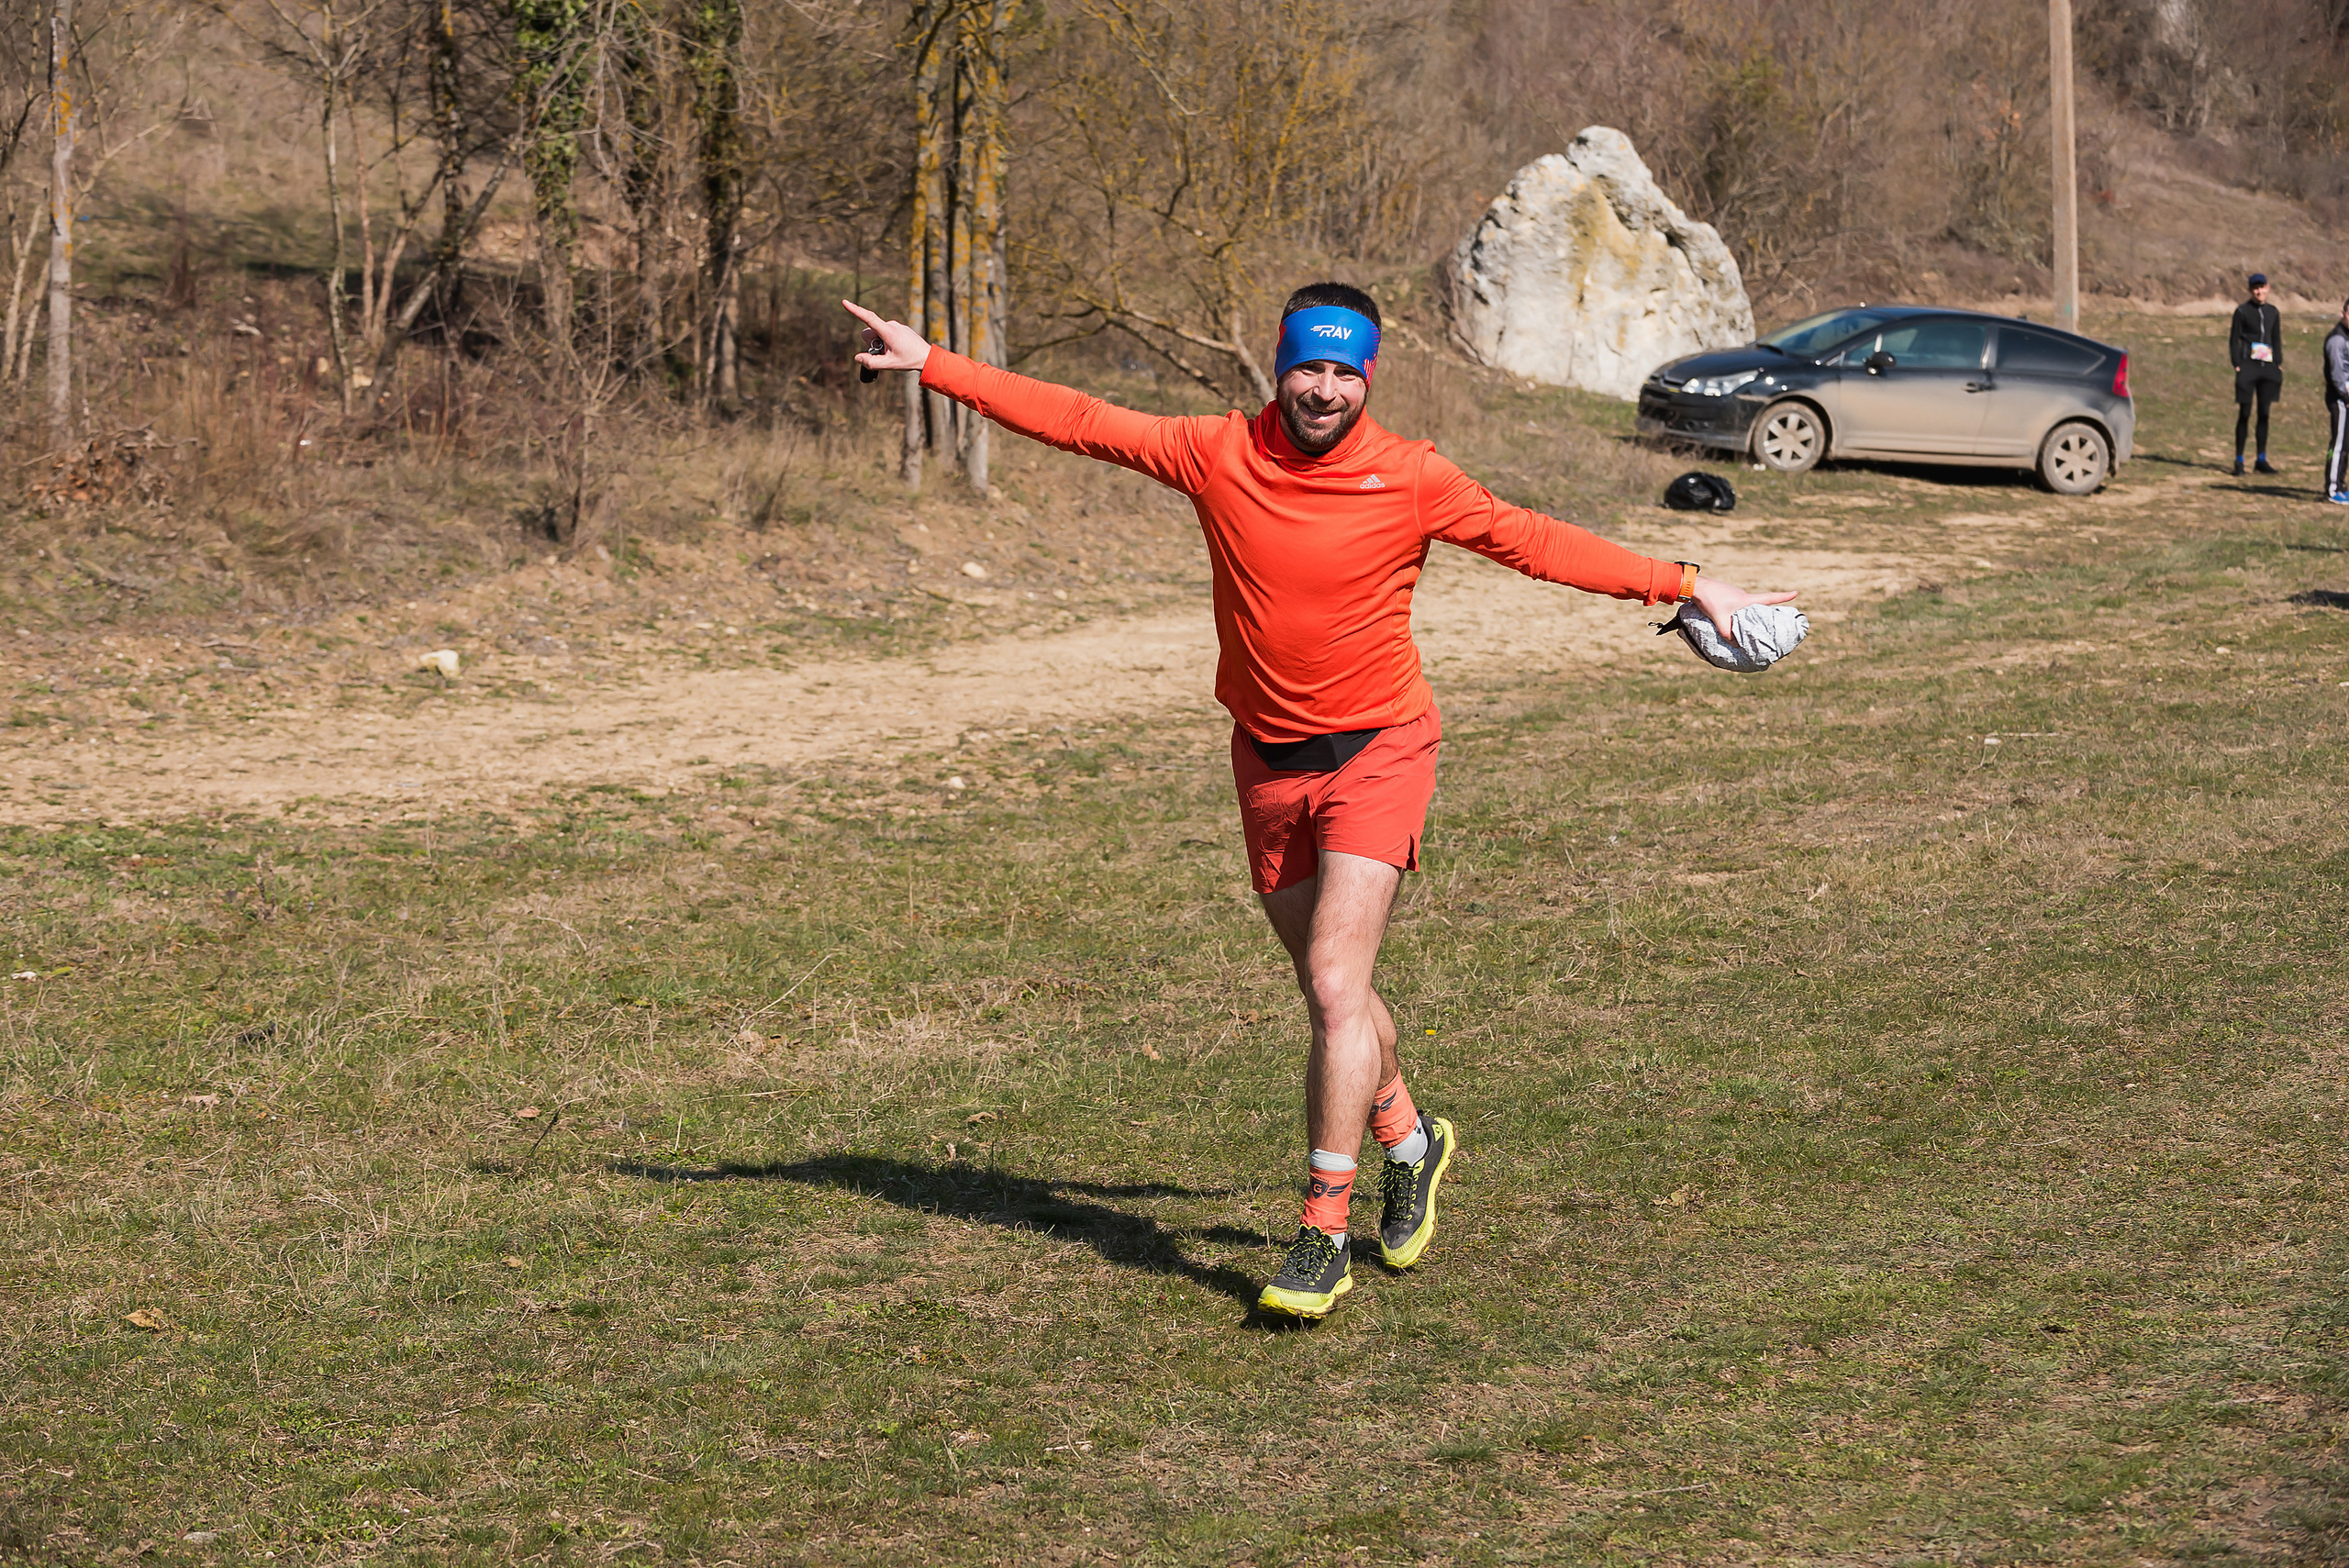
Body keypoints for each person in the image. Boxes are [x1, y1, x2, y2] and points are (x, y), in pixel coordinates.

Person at [843, 284, 1798, 1318]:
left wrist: (1686, 581)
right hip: (1266, 760)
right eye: (1309, 367)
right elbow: (1079, 418)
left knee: (1339, 983)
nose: (1326, 389)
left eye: (1346, 371)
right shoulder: (1216, 452)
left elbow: (1534, 540)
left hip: (1381, 750)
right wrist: (933, 362)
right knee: (1328, 987)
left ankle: (1322, 1233)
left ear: (1368, 377)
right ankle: (1410, 1139)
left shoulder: (1412, 476)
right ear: (1280, 366)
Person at [2231, 273, 2284, 476]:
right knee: (2245, 413)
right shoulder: (2242, 311)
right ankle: (2239, 460)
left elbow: (2276, 338)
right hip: (2248, 367)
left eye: (2262, 287)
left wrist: (2278, 362)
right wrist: (2237, 363)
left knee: (2264, 413)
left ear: (2268, 288)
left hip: (2268, 368)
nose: (2259, 292)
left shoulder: (2273, 312)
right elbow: (2233, 339)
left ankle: (2261, 459)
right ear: (2250, 290)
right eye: (2255, 288)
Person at [2326, 300, 2349, 504]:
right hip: (2340, 399)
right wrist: (2345, 396)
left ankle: (2341, 485)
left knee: (2346, 445)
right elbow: (2336, 374)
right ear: (2343, 314)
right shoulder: (2337, 340)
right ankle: (2332, 489)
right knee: (2338, 444)